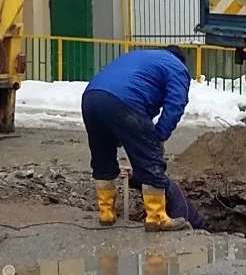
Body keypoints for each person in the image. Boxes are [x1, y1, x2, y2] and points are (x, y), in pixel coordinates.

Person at [82, 45, 191, 232]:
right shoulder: (177, 67)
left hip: (91, 97)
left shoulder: (139, 56)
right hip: (125, 101)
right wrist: (159, 136)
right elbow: (175, 103)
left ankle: (106, 213)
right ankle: (156, 217)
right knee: (150, 161)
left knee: (102, 156)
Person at [120, 166, 207, 230]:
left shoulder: (177, 204)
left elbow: (183, 223)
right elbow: (144, 183)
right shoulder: (154, 184)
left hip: (197, 227)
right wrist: (132, 176)